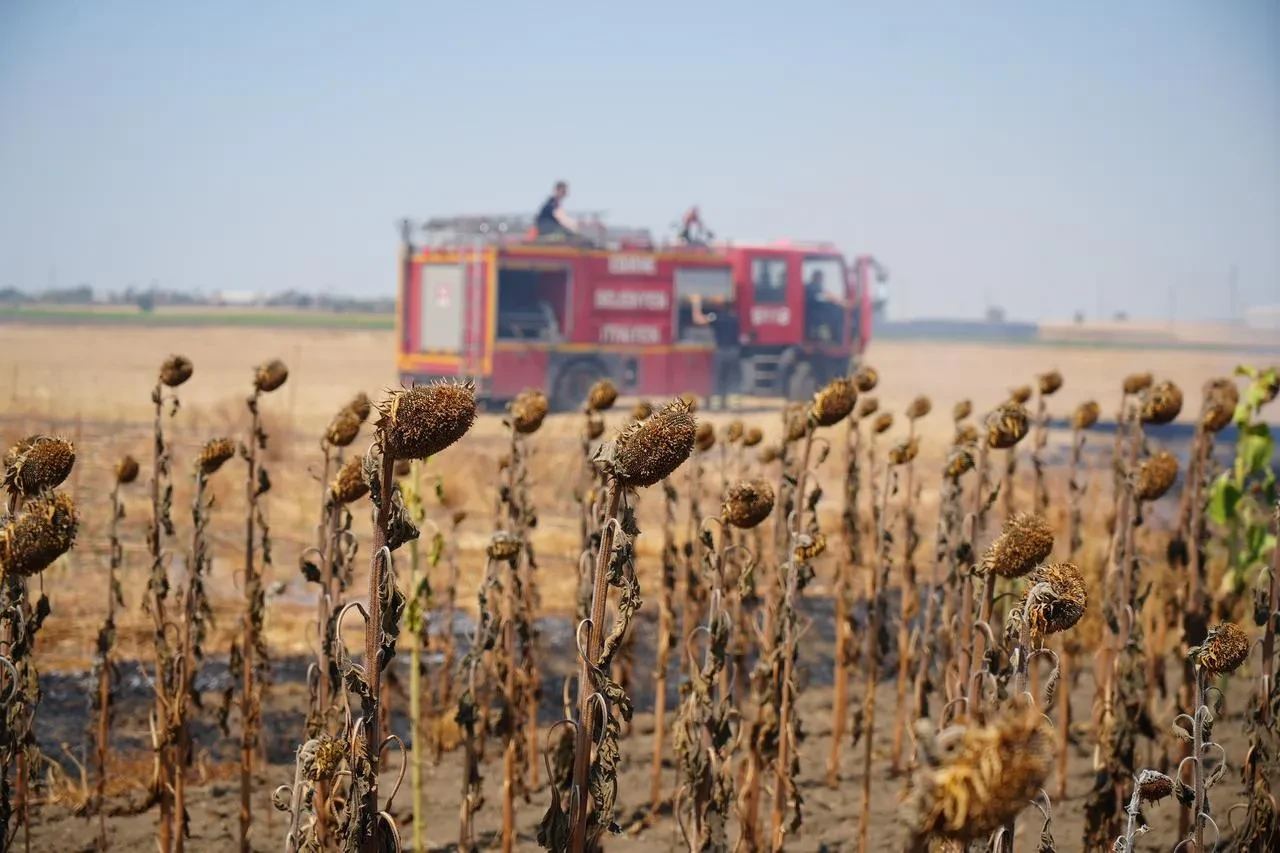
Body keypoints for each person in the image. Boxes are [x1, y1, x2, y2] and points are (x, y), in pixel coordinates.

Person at [689, 293, 742, 410]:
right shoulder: (735, 317)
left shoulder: (716, 317)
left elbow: (698, 319)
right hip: (735, 351)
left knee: (719, 377)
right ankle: (734, 405)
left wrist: (696, 303)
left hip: (721, 351)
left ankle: (717, 405)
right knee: (733, 377)